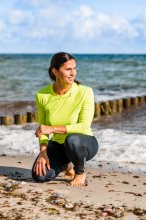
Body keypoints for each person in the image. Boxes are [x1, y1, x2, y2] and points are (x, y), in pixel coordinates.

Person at [32, 52, 99, 186]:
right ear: (55, 71)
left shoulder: (85, 92)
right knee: (39, 176)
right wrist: (43, 153)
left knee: (72, 139)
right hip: (59, 145)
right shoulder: (42, 95)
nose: (73, 73)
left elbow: (84, 127)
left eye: (74, 68)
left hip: (83, 144)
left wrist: (53, 128)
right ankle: (67, 165)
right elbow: (43, 130)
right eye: (68, 69)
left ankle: (79, 172)